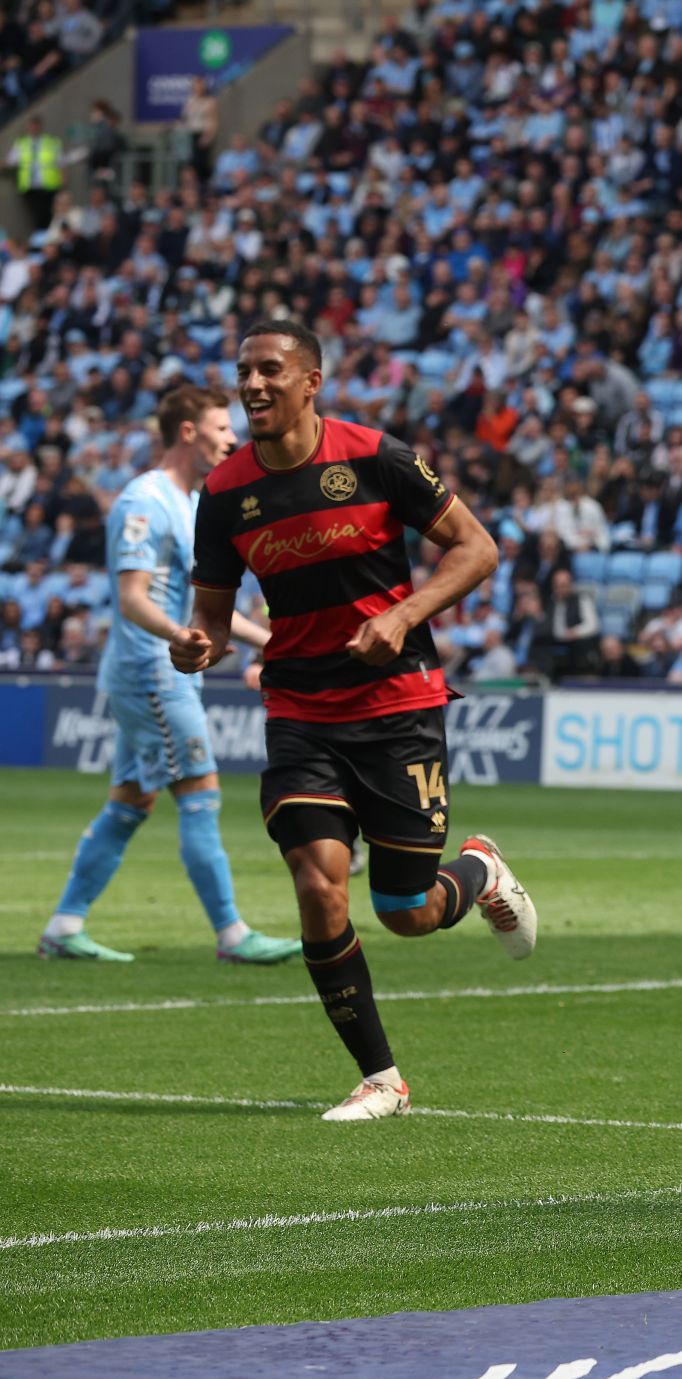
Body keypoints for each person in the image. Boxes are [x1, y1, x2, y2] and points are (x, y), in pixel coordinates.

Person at [173, 320, 539, 1123]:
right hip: (300, 708)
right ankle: (382, 1077)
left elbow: (476, 549)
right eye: (244, 372)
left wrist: (403, 615)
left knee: (405, 911)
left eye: (271, 370)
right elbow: (211, 609)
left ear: (312, 381)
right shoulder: (226, 490)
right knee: (317, 883)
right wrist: (197, 644)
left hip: (397, 705)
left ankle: (477, 870)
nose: (254, 384)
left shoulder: (378, 455)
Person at [40, 386, 301, 965]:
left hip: (168, 666)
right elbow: (131, 599)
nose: (232, 437)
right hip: (152, 671)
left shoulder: (190, 502)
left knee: (131, 802)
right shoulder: (145, 502)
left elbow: (210, 608)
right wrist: (177, 636)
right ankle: (233, 935)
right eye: (220, 427)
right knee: (200, 790)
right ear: (189, 432)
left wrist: (277, 641)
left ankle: (63, 926)